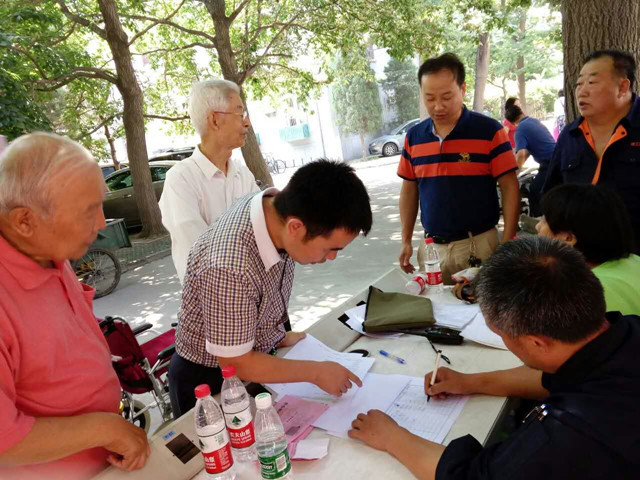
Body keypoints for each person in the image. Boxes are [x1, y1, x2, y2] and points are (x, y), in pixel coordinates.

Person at [349, 236, 640, 479]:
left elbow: (471, 475)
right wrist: (470, 382)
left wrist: (391, 437)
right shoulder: (625, 331)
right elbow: (558, 372)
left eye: (501, 334)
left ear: (537, 342)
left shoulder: (566, 435)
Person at [169, 159, 373, 418]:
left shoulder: (274, 209)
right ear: (296, 227)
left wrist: (273, 335)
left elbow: (257, 297)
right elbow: (235, 362)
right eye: (330, 248)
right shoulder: (229, 265)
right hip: (209, 381)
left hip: (252, 355)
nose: (332, 257)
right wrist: (316, 372)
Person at [0, 133, 149, 479]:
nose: (101, 224)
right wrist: (105, 428)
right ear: (24, 221)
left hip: (105, 463)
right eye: (88, 211)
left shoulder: (47, 247)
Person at [398, 53, 520, 284]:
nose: (438, 106)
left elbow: (509, 186)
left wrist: (507, 240)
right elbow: (409, 190)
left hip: (479, 245)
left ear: (462, 89)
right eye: (429, 98)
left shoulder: (489, 131)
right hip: (432, 250)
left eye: (446, 97)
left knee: (484, 305)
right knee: (436, 306)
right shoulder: (414, 137)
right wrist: (406, 240)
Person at [159, 79, 259, 284]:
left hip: (252, 293)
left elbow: (263, 230)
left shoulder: (242, 174)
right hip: (212, 298)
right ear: (215, 120)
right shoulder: (181, 179)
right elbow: (202, 253)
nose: (247, 122)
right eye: (240, 113)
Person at [544, 49, 640, 254]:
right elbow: (552, 193)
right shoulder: (570, 135)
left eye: (592, 82)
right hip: (582, 260)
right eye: (579, 84)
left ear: (623, 87)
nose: (582, 91)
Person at [536, 184, 640, 315]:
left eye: (544, 220)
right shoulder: (634, 260)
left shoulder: (580, 293)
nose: (537, 226)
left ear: (568, 238)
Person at [505, 104, 556, 216]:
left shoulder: (520, 130)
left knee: (535, 189)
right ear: (522, 112)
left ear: (512, 122)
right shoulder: (534, 121)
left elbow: (521, 154)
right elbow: (527, 152)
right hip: (557, 158)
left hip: (550, 163)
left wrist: (514, 175)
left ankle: (537, 219)